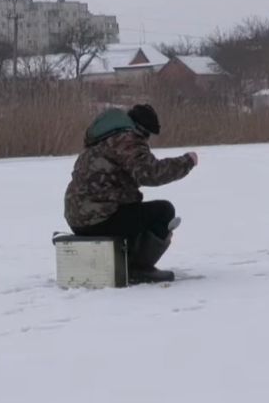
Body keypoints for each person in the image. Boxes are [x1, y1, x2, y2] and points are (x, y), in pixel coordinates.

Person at [64, 104, 197, 283]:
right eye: (147, 135)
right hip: (101, 219)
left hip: (77, 220)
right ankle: (138, 268)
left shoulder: (102, 141)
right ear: (141, 129)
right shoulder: (127, 140)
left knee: (135, 211)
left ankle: (127, 262)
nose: (146, 141)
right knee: (164, 211)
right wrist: (186, 161)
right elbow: (151, 173)